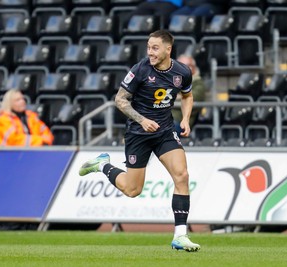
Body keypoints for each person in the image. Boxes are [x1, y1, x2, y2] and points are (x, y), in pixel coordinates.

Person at [79, 30, 200, 252]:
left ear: (168, 49)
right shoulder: (140, 70)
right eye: (148, 47)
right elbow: (120, 100)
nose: (150, 52)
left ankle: (180, 236)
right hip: (138, 134)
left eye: (155, 48)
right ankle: (102, 165)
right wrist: (142, 120)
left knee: (182, 175)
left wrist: (184, 118)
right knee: (132, 190)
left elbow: (187, 95)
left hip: (164, 131)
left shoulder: (183, 71)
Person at [172, 54, 206, 137]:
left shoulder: (198, 84)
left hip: (180, 121)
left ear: (192, 67)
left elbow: (190, 97)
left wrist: (172, 96)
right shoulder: (172, 80)